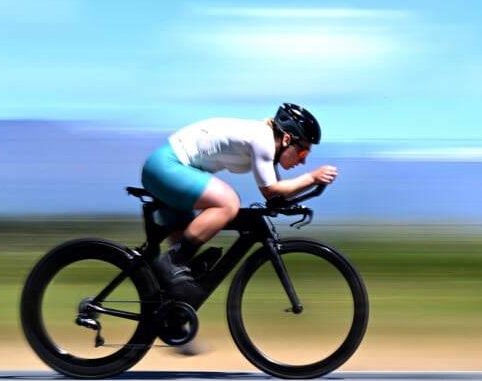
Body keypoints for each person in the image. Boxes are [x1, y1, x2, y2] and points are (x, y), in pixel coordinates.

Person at [141, 103, 338, 301]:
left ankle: (171, 318)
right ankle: (171, 261)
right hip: (167, 166)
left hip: (169, 169)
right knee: (228, 203)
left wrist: (304, 193)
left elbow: (278, 196)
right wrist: (312, 178)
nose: (303, 161)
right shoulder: (263, 139)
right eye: (303, 152)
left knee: (178, 287)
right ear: (287, 139)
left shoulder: (265, 143)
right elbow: (271, 191)